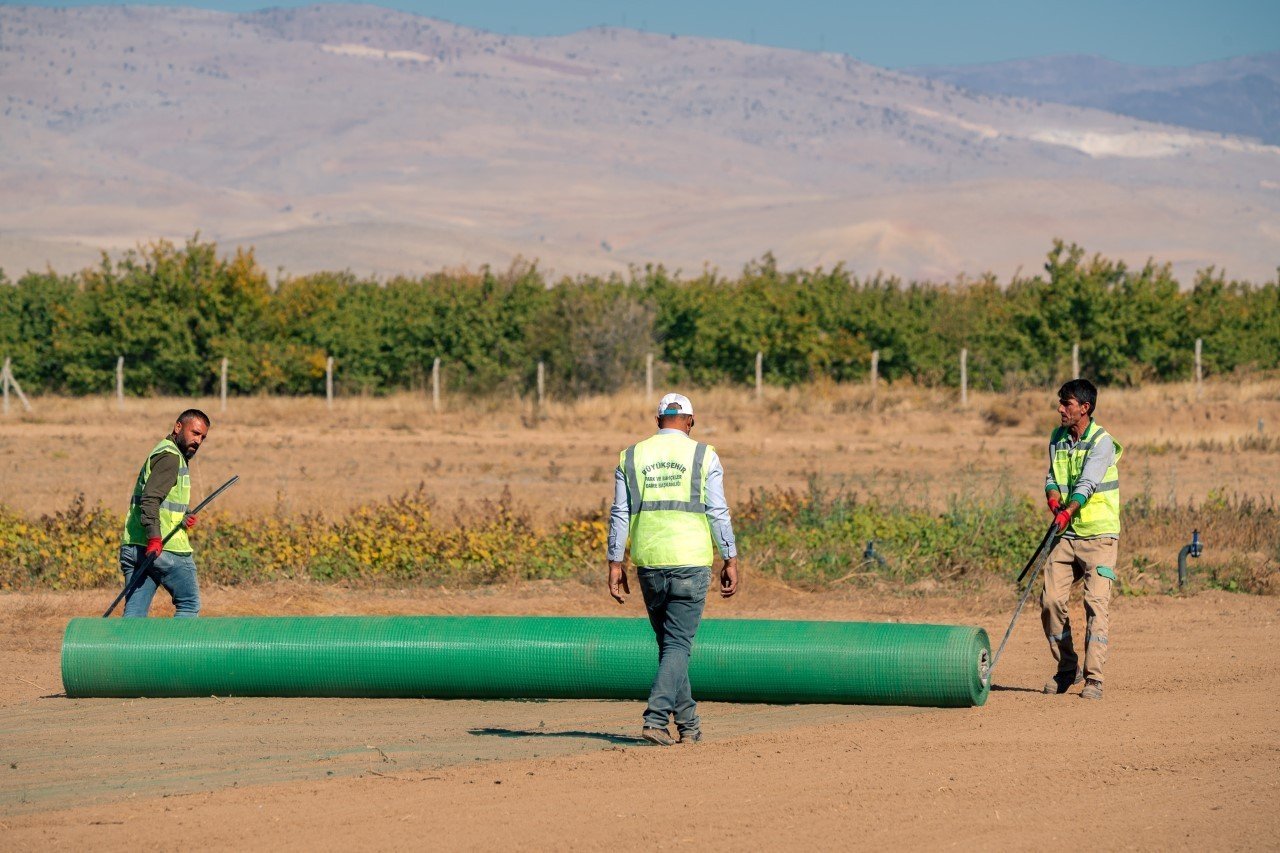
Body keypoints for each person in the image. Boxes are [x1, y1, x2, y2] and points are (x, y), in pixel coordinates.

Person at [608, 393, 739, 745]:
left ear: (657, 421)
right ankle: (654, 719)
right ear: (691, 422)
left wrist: (614, 561)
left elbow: (620, 513)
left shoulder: (631, 456)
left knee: (670, 645)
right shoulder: (703, 455)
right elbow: (718, 511)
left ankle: (689, 726)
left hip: (649, 563)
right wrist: (730, 557)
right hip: (691, 561)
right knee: (678, 644)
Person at [1041, 379, 1122, 700]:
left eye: (1067, 404)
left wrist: (1068, 509)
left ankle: (1094, 679)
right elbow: (1052, 475)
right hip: (1067, 534)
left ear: (1085, 408)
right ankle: (1067, 668)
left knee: (1095, 605)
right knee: (1050, 602)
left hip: (1100, 535)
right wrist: (1051, 497)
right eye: (1060, 403)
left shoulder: (1102, 442)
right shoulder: (1057, 438)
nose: (1061, 409)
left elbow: (1088, 482)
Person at [119, 409, 210, 617]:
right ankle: (177, 650)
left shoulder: (162, 451)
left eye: (203, 437)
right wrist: (155, 538)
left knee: (135, 613)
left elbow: (160, 501)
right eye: (195, 433)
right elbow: (150, 499)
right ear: (178, 427)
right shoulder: (171, 458)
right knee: (189, 604)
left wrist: (182, 517)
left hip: (134, 546)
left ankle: (126, 650)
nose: (198, 441)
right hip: (164, 548)